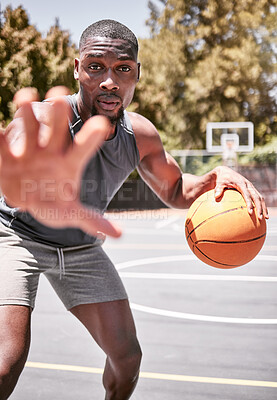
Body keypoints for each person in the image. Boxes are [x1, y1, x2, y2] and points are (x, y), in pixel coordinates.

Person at [0, 19, 268, 400]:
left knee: (127, 359)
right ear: (77, 68)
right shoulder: (48, 119)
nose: (110, 80)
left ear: (137, 74)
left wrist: (215, 176)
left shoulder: (139, 135)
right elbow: (14, 181)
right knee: (6, 361)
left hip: (81, 249)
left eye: (122, 68)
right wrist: (23, 185)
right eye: (96, 66)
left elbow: (176, 190)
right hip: (18, 239)